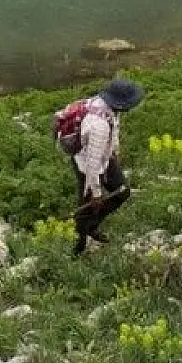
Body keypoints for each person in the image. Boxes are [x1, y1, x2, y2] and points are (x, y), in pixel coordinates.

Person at [72, 77, 143, 255]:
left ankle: (92, 226)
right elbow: (92, 165)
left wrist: (114, 152)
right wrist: (96, 192)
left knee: (122, 191)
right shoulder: (99, 126)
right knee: (87, 205)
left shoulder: (106, 107)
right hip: (86, 163)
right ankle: (79, 245)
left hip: (104, 156)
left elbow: (114, 129)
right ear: (120, 103)